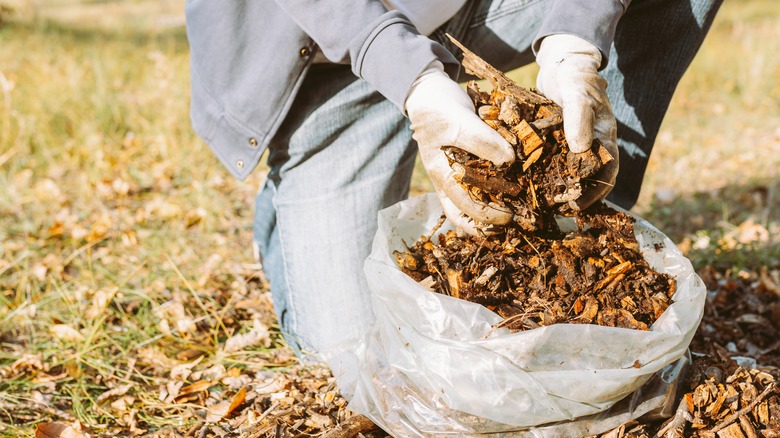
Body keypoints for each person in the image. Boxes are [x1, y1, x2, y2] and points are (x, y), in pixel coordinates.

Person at [185, 0, 722, 368]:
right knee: (348, 359)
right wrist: (414, 80)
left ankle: (580, 219)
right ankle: (282, 208)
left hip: (468, 14)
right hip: (324, 64)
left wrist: (574, 41)